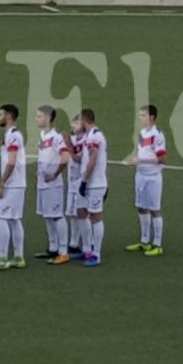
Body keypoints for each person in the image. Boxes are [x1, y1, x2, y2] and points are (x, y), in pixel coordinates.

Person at [0, 104, 27, 271]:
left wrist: (2, 183)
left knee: (1, 218)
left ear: (8, 116)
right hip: (17, 183)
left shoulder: (13, 136)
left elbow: (11, 161)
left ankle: (2, 258)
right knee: (14, 219)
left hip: (13, 184)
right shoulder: (11, 135)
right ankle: (18, 257)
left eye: (0, 114)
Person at [126, 103, 167, 256]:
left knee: (154, 209)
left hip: (153, 177)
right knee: (141, 207)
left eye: (143, 115)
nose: (140, 118)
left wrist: (141, 161)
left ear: (151, 117)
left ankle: (157, 244)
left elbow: (162, 158)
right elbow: (144, 153)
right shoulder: (142, 133)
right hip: (140, 175)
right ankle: (144, 241)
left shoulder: (158, 134)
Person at [34, 106, 72, 263]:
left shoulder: (57, 137)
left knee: (56, 216)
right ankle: (53, 248)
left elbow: (66, 156)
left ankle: (63, 252)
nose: (37, 119)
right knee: (47, 216)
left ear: (48, 118)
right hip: (42, 183)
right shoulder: (42, 135)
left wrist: (56, 173)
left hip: (53, 184)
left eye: (39, 116)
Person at [73, 108, 109, 267]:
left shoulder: (96, 135)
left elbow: (94, 160)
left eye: (78, 121)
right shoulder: (88, 136)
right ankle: (87, 249)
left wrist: (84, 181)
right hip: (87, 182)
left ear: (85, 121)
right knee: (81, 212)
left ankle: (97, 254)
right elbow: (84, 158)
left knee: (95, 216)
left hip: (94, 184)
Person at [66, 113, 88, 259]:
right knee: (72, 213)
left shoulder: (87, 141)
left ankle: (88, 245)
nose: (73, 126)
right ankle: (74, 244)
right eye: (72, 123)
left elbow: (79, 159)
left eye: (76, 123)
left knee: (82, 213)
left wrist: (68, 145)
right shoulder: (73, 139)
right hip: (71, 181)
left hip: (82, 181)